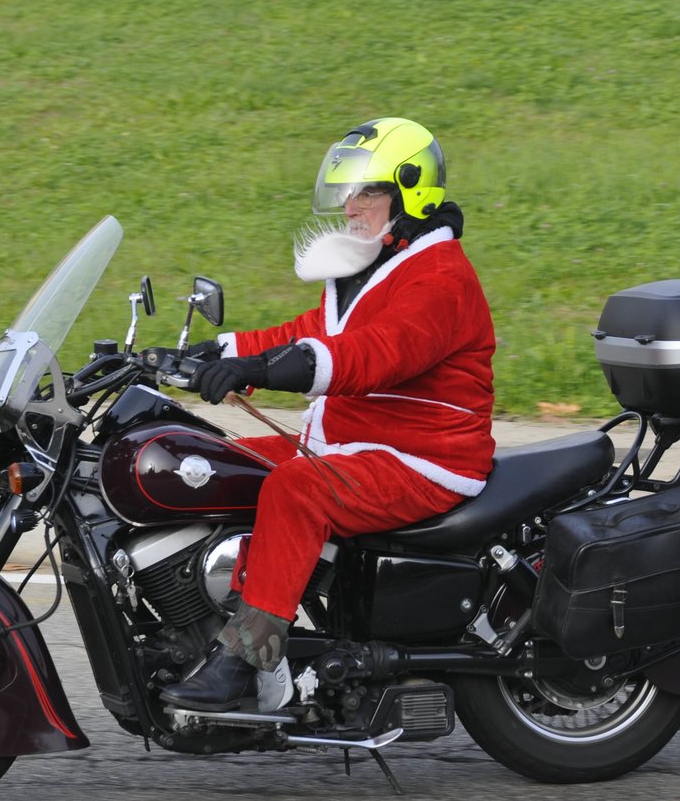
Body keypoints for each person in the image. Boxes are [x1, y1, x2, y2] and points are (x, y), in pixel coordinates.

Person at [160, 116, 496, 712]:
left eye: (366, 191)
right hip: (350, 444)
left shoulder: (440, 276)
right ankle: (198, 621)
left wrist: (258, 373)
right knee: (213, 463)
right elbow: (312, 332)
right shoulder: (374, 263)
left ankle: (245, 661)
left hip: (421, 458)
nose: (349, 206)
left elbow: (371, 355)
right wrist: (221, 351)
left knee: (295, 489)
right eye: (347, 192)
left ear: (410, 190)